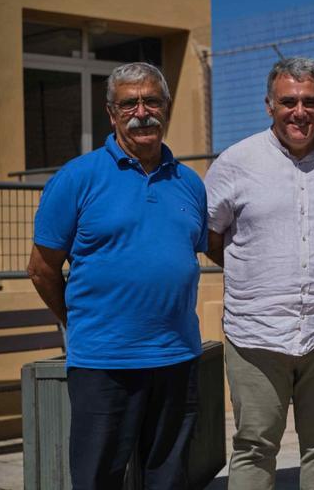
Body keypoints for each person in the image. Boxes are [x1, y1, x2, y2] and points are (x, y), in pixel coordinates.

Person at [205, 57, 314, 490]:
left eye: (310, 101)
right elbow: (211, 237)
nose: (299, 111)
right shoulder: (235, 162)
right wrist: (260, 270)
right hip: (256, 334)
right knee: (253, 446)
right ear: (269, 104)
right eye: (288, 101)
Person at [28, 62, 207, 489]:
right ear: (112, 114)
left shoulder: (189, 182)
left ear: (165, 107)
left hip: (176, 357)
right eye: (129, 103)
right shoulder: (77, 178)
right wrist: (78, 320)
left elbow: (185, 255)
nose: (141, 112)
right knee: (97, 479)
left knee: (168, 478)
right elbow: (41, 269)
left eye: (151, 101)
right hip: (103, 362)